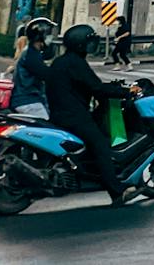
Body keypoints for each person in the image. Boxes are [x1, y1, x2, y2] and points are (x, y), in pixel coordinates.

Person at [43, 24, 135, 206]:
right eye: (89, 43)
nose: (91, 46)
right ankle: (117, 192)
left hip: (59, 114)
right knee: (100, 144)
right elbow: (97, 88)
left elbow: (89, 85)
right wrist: (127, 92)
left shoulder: (61, 61)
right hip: (74, 117)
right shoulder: (75, 63)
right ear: (80, 45)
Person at [10, 19, 53, 118]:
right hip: (27, 101)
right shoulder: (31, 55)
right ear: (40, 36)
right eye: (48, 34)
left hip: (28, 99)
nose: (50, 37)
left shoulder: (33, 53)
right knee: (46, 129)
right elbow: (46, 74)